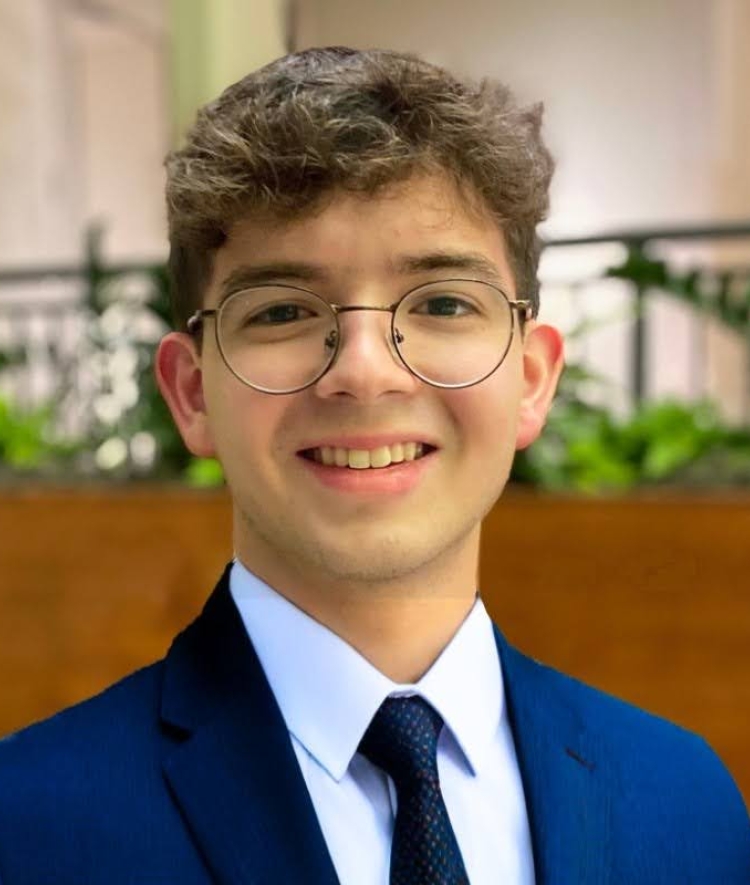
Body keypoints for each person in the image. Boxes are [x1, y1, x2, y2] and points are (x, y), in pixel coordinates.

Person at [0, 46, 748, 885]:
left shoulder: (684, 801)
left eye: (440, 303)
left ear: (531, 379)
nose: (364, 369)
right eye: (282, 309)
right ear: (191, 393)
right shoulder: (27, 825)